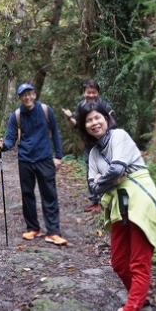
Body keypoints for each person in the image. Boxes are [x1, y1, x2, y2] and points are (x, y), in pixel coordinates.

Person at [76, 100, 156, 311]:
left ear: (107, 118)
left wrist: (105, 178)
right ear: (84, 126)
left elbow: (116, 169)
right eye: (88, 120)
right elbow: (92, 189)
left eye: (97, 117)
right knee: (119, 262)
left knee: (139, 263)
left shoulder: (119, 136)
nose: (94, 122)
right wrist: (111, 179)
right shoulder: (95, 153)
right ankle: (143, 305)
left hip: (140, 203)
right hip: (119, 207)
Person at [0, 83, 67, 246]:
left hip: (44, 158)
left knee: (49, 194)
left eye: (29, 94)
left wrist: (59, 156)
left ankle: (53, 232)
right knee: (27, 195)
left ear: (34, 95)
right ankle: (33, 228)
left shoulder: (45, 111)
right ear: (20, 97)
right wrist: (3, 146)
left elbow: (55, 133)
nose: (27, 97)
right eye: (23, 95)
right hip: (25, 160)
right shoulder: (17, 115)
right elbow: (10, 139)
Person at [61, 79, 115, 212]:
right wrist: (69, 118)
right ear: (83, 93)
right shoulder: (81, 106)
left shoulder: (104, 105)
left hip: (105, 144)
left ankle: (107, 197)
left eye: (94, 92)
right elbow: (78, 126)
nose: (91, 95)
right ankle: (94, 200)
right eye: (88, 92)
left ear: (98, 93)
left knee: (107, 169)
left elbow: (113, 123)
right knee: (91, 171)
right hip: (89, 145)